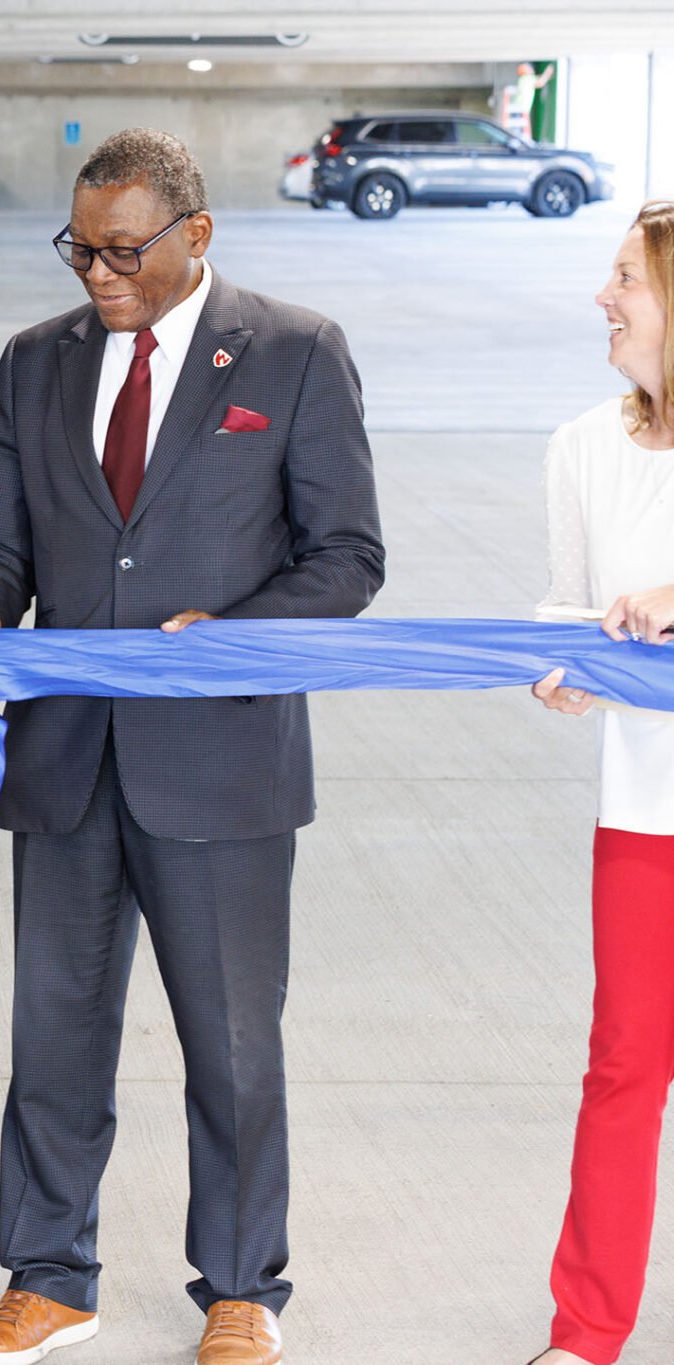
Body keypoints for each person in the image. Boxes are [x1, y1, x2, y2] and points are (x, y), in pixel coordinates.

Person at [0, 127, 384, 1365]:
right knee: (52, 1038)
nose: (96, 272)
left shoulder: (293, 354)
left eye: (123, 249)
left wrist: (234, 636)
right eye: (79, 248)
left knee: (233, 1046)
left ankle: (241, 1289)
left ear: (195, 236)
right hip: (63, 760)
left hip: (221, 761)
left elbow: (346, 556)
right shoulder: (33, 363)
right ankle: (47, 1277)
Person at [526, 200, 674, 1365]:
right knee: (623, 1066)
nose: (602, 295)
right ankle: (585, 1333)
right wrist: (563, 667)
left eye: (622, 276)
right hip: (644, 816)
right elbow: (565, 610)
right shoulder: (579, 447)